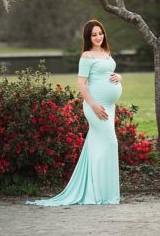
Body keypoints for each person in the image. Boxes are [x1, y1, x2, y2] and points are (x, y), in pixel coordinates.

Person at [27, 19, 123, 206]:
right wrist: (94, 105)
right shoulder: (86, 56)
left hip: (109, 107)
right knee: (111, 143)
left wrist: (119, 77)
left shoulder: (106, 53)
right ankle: (99, 193)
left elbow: (111, 73)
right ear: (88, 37)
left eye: (100, 33)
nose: (98, 37)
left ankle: (102, 193)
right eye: (93, 34)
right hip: (95, 106)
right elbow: (81, 83)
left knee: (97, 146)